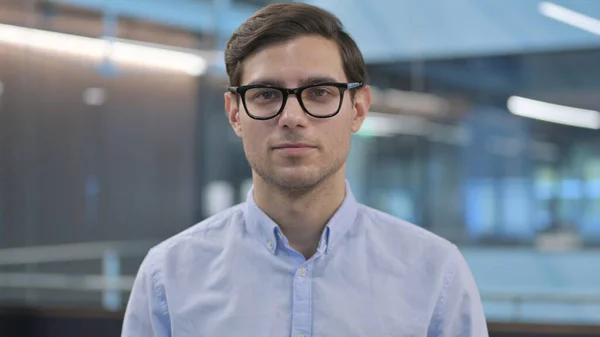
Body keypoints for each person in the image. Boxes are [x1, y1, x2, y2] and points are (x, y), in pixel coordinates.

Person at [121, 3, 488, 337]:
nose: (292, 117)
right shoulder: (168, 275)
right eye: (265, 94)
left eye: (320, 93)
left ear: (358, 109)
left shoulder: (436, 272)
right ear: (235, 113)